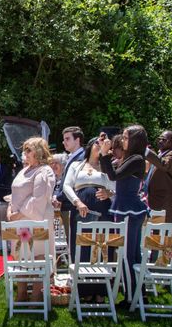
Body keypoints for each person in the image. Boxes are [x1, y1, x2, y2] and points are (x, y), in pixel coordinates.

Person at [99, 125, 150, 302]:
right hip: (128, 207)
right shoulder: (133, 158)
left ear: (135, 140)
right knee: (132, 253)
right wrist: (103, 153)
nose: (123, 140)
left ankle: (133, 297)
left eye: (127, 137)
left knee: (129, 254)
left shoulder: (136, 159)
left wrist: (105, 153)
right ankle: (137, 295)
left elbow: (113, 176)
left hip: (129, 208)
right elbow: (110, 172)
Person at [63, 135, 114, 300]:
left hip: (103, 211)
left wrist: (108, 193)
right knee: (83, 248)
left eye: (103, 145)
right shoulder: (77, 166)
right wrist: (77, 202)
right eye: (97, 145)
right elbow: (66, 185)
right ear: (91, 146)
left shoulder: (107, 166)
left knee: (101, 247)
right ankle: (83, 291)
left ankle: (100, 292)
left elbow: (115, 186)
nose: (100, 147)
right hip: (81, 211)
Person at [7, 137, 56, 302]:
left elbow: (38, 199)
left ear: (39, 152)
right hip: (19, 221)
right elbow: (16, 194)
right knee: (21, 255)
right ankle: (21, 293)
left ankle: (36, 294)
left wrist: (17, 214)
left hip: (35, 221)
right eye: (25, 150)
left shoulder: (44, 171)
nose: (25, 153)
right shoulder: (24, 170)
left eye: (29, 150)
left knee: (37, 256)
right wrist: (10, 209)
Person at [53, 126, 86, 243]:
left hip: (74, 205)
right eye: (63, 139)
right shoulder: (73, 156)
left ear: (77, 140)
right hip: (68, 204)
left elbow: (73, 184)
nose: (64, 142)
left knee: (75, 241)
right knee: (71, 240)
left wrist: (58, 197)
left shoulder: (82, 157)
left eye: (67, 139)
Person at [144, 130, 172, 223]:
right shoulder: (159, 155)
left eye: (164, 139)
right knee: (156, 236)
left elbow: (164, 165)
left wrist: (146, 151)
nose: (160, 141)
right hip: (157, 203)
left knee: (167, 235)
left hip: (168, 204)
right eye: (159, 139)